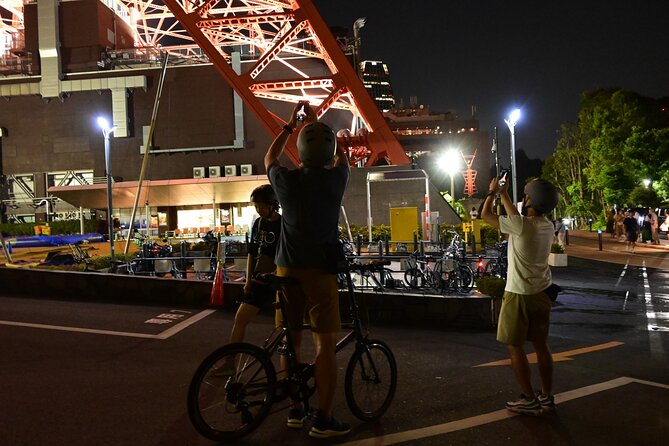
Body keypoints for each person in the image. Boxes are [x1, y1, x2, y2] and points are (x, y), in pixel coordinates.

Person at [265, 103, 351, 438]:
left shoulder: (286, 181)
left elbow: (269, 159)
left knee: (291, 337)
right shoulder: (336, 180)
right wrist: (324, 129)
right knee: (324, 344)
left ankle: (296, 410)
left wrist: (291, 127)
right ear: (328, 152)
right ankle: (325, 419)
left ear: (298, 153)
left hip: (286, 268)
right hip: (321, 271)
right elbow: (343, 160)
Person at [481, 176, 559, 416]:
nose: (523, 198)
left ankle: (528, 398)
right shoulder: (548, 226)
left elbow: (485, 215)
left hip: (519, 294)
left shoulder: (522, 225)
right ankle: (546, 395)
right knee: (541, 345)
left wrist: (495, 193)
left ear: (531, 200)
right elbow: (514, 218)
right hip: (542, 293)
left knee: (514, 345)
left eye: (526, 195)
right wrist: (503, 195)